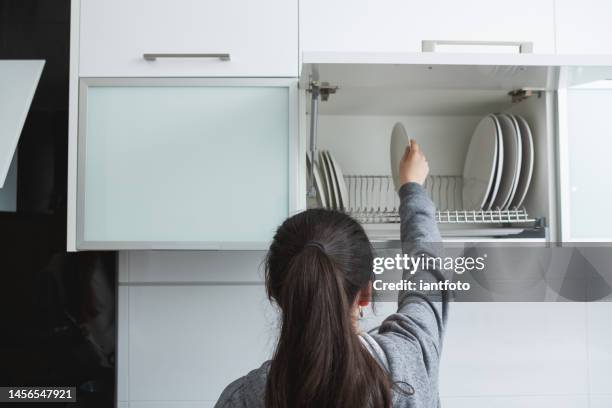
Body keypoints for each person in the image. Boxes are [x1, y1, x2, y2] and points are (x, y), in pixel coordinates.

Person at [216, 140, 449, 408]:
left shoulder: (242, 399)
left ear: (275, 292)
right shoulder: (409, 359)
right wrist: (412, 188)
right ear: (365, 293)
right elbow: (427, 273)